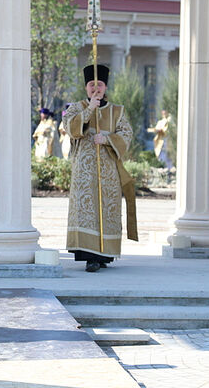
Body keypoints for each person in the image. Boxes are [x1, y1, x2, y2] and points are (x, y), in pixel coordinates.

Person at [62, 65, 138, 272]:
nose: (96, 89)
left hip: (108, 171)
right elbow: (70, 128)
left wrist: (107, 138)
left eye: (100, 85)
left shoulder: (117, 111)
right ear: (86, 87)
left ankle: (105, 254)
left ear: (105, 87)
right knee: (87, 211)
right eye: (91, 85)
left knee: (106, 210)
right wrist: (90, 110)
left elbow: (126, 134)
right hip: (84, 173)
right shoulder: (75, 108)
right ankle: (90, 257)